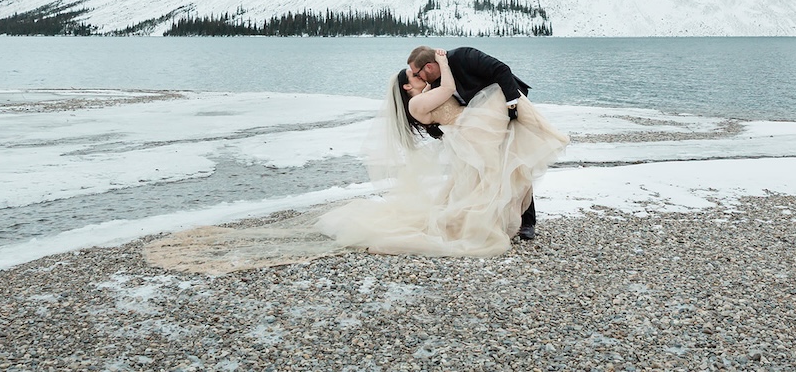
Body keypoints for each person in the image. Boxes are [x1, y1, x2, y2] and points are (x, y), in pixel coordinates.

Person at [143, 48, 567, 271]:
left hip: (485, 121)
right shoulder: (423, 98)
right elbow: (448, 93)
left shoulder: (445, 78)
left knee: (506, 172)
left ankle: (518, 221)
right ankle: (509, 222)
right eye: (412, 78)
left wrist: (506, 104)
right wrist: (442, 66)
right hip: (474, 130)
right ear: (409, 86)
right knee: (499, 175)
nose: (416, 80)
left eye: (416, 73)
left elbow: (479, 83)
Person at [406, 44, 539, 238]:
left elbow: (501, 70)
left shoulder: (463, 56)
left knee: (515, 161)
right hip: (480, 126)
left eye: (417, 74)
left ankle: (528, 222)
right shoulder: (436, 84)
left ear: (429, 67)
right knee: (491, 169)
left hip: (508, 105)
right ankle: (501, 218)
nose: (418, 78)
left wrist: (511, 106)